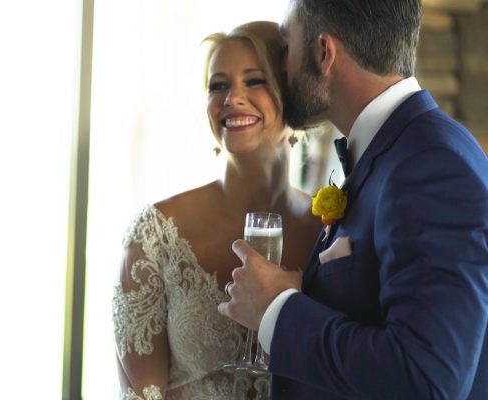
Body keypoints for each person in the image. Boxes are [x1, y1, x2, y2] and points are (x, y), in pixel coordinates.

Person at [218, 1, 488, 399]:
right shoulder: (398, 150)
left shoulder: (430, 163)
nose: (281, 67)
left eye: (285, 46)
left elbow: (426, 379)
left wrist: (277, 309)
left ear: (324, 52)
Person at [112, 20, 322, 400]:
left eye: (255, 80)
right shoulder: (156, 235)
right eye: (218, 85)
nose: (232, 98)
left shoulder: (330, 230)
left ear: (292, 93)